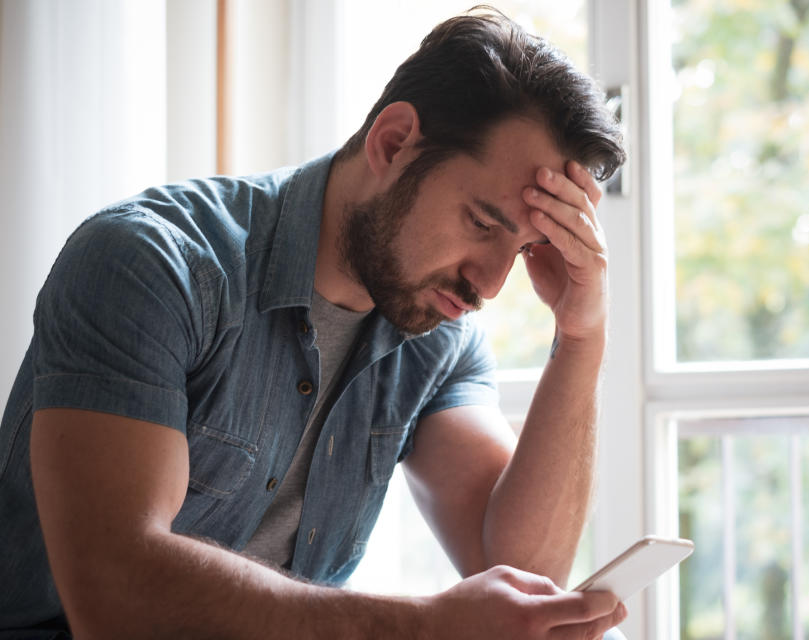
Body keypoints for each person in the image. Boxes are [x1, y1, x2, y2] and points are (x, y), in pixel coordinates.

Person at [0, 6, 626, 638]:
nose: (490, 284)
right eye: (482, 224)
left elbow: (522, 576)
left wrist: (580, 337)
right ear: (392, 143)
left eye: (521, 250)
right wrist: (423, 629)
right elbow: (114, 598)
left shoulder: (436, 335)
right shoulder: (153, 264)